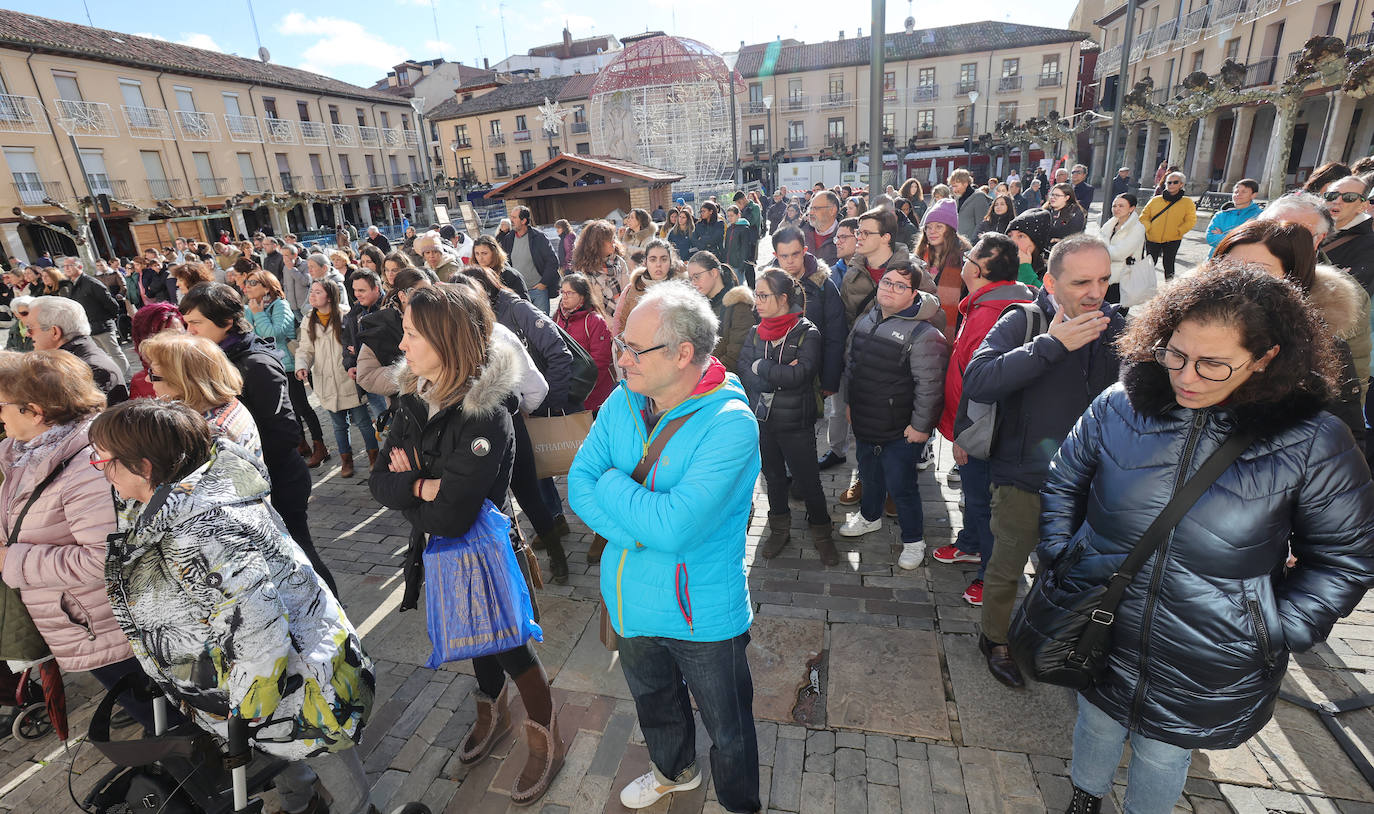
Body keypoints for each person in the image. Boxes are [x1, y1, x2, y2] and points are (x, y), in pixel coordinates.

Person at [1041, 267, 1374, 814]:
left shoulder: (1313, 441)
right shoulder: (1120, 404)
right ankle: (1084, 796)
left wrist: (1272, 626)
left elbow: (1344, 558)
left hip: (1209, 649)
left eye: (1213, 363)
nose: (1186, 377)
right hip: (1101, 616)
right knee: (1095, 722)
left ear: (1267, 357)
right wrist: (1061, 556)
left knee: (1164, 755)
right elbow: (1063, 482)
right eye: (1174, 354)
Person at [90, 399, 376, 814]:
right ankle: (302, 803)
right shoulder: (178, 499)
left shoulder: (201, 531)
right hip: (262, 681)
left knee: (320, 746)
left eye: (105, 461)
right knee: (287, 750)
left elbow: (259, 633)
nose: (101, 469)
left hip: (295, 681)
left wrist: (244, 711)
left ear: (145, 467)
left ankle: (358, 809)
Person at [567, 281, 761, 813]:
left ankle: (740, 802)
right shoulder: (623, 398)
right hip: (630, 596)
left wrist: (614, 488)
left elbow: (675, 528)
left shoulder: (730, 424)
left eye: (633, 348)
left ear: (683, 355)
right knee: (654, 702)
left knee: (730, 725)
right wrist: (639, 528)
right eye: (621, 345)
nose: (621, 359)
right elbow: (578, 482)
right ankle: (674, 771)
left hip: (700, 610)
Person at [369, 285, 564, 804]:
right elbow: (379, 482)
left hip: (483, 549)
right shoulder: (412, 396)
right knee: (472, 636)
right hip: (436, 546)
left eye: (411, 334)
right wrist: (421, 486)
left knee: (508, 644)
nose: (402, 345)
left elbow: (454, 517)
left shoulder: (487, 412)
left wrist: (414, 482)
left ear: (445, 338)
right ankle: (491, 706)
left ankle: (546, 732)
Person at [962, 235, 1125, 688]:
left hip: (1091, 484)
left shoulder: (1116, 327)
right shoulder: (1024, 320)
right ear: (1051, 281)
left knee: (1071, 572)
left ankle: (1055, 640)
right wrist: (1051, 346)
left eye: (1104, 280)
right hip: (1024, 479)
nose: (1096, 292)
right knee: (1006, 566)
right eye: (1082, 282)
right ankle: (995, 640)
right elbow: (979, 379)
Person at [0, 350, 164, 733]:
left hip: (105, 625)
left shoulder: (86, 466)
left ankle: (230, 783)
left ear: (35, 411)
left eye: (3, 405)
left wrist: (12, 559)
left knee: (168, 723)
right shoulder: (22, 452)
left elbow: (104, 558)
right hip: (76, 619)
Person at [178, 283, 338, 597]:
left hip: (278, 480)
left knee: (300, 554)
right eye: (186, 323)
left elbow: (285, 434)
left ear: (226, 322)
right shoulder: (214, 359)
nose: (188, 330)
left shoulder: (256, 364)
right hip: (247, 484)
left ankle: (336, 618)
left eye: (196, 323)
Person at [932, 234, 1035, 605]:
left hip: (980, 427)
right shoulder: (992, 303)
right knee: (976, 496)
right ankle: (971, 544)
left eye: (971, 255)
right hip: (984, 424)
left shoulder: (990, 314)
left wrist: (964, 435)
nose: (965, 259)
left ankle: (989, 574)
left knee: (981, 499)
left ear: (978, 268)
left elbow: (978, 383)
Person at [1213, 220, 1367, 448]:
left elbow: (1344, 444)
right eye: (1226, 268)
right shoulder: (1176, 328)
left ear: (1294, 279)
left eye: (1257, 271)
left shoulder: (1322, 351)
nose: (1235, 281)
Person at [837, 259, 949, 569]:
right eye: (887, 282)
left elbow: (930, 386)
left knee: (902, 487)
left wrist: (921, 426)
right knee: (869, 474)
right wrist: (849, 404)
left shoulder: (925, 334)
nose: (890, 289)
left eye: (900, 285)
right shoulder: (867, 318)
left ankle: (914, 540)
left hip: (902, 430)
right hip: (865, 420)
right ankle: (870, 516)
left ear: (915, 293)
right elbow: (852, 365)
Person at [737, 269, 836, 564]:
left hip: (795, 422)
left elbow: (801, 374)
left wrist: (762, 368)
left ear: (783, 298)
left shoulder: (808, 333)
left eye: (763, 295)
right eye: (756, 295)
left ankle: (822, 531)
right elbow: (744, 369)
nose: (758, 302)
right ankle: (779, 528)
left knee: (807, 480)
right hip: (763, 421)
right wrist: (773, 373)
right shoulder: (755, 332)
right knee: (774, 478)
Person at [242, 269, 328, 467]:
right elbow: (248, 333)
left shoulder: (280, 305)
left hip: (287, 364)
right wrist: (252, 312)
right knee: (289, 411)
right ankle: (301, 444)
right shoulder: (251, 307)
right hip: (268, 366)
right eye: (247, 281)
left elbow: (273, 334)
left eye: (253, 282)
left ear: (266, 286)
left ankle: (320, 445)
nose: (247, 286)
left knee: (302, 407)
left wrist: (258, 314)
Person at [140, 331, 262, 460]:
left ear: (181, 382)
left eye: (153, 373)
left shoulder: (207, 432)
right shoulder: (229, 404)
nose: (147, 379)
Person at [296, 281, 375, 478]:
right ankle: (346, 461)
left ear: (329, 296)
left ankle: (375, 458)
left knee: (363, 421)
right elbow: (305, 349)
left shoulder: (346, 315)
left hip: (347, 378)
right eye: (311, 292)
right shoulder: (308, 320)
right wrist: (302, 366)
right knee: (339, 426)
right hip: (326, 381)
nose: (312, 296)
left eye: (317, 292)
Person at [25, 296, 128, 405]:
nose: (27, 334)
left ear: (55, 332)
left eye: (30, 328)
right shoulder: (77, 359)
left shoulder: (89, 369)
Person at [555, 273, 615, 411]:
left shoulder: (594, 320)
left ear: (582, 296)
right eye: (562, 292)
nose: (564, 296)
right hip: (566, 389)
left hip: (591, 393)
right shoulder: (558, 317)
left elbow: (600, 361)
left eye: (570, 293)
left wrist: (581, 389)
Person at [60, 256, 127, 377]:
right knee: (102, 356)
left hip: (102, 325)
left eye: (69, 266)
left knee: (115, 353)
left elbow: (110, 303)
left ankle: (127, 378)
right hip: (88, 327)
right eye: (64, 266)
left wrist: (108, 318)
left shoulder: (91, 282)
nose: (66, 269)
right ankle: (115, 379)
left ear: (79, 267)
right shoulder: (71, 285)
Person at [915, 199, 971, 345]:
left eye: (939, 227)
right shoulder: (918, 258)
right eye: (928, 227)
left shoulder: (964, 261)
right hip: (916, 332)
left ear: (950, 230)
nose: (932, 231)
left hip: (950, 335)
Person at [689, 251, 755, 374]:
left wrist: (706, 375)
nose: (693, 283)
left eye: (697, 276)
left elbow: (736, 355)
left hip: (725, 382)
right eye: (691, 278)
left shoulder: (739, 304)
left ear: (714, 273)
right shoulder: (700, 305)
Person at [498, 205, 561, 314]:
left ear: (524, 220)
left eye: (514, 218)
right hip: (519, 293)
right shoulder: (509, 238)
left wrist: (543, 283)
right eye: (511, 217)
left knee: (542, 325)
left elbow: (552, 261)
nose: (511, 220)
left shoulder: (539, 237)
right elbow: (502, 260)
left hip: (538, 291)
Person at [1139, 171, 1198, 280]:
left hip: (1173, 239)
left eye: (1175, 182)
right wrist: (1149, 229)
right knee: (1150, 264)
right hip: (1153, 238)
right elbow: (1144, 216)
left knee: (1169, 264)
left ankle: (1169, 288)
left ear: (1181, 184)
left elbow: (1191, 220)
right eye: (1169, 182)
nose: (1171, 185)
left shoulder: (1187, 202)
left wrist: (1179, 231)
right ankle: (1145, 285)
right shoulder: (1155, 200)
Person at [1319, 174, 1374, 292]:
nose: (1337, 201)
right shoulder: (1307, 228)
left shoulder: (1369, 245)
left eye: (1349, 197)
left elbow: (1353, 293)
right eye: (1332, 195)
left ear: (1362, 206)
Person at [615, 239, 684, 332]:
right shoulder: (635, 287)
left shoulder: (680, 290)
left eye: (664, 259)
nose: (658, 264)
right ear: (646, 262)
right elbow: (623, 323)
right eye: (653, 259)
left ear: (670, 262)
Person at [572, 219, 630, 318]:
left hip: (624, 316)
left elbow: (627, 294)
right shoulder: (585, 270)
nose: (614, 242)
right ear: (597, 244)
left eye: (614, 237)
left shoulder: (619, 262)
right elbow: (591, 305)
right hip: (601, 322)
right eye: (610, 239)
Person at [126, 302, 184, 399]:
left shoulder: (204, 367)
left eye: (181, 334)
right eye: (166, 337)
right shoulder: (142, 383)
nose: (177, 343)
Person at [1104, 193, 1148, 306]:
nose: (1116, 209)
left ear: (1132, 208)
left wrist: (1100, 252)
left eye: (1121, 206)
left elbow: (1120, 253)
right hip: (1104, 276)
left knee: (1116, 314)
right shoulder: (1109, 224)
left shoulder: (1137, 228)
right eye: (1114, 206)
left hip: (1122, 278)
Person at [1205, 178, 1264, 255]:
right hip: (1215, 260)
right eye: (1236, 191)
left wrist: (1223, 236)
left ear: (1253, 195)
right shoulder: (1220, 215)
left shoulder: (1260, 217)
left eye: (1244, 192)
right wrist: (1238, 240)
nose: (1238, 194)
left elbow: (1255, 243)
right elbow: (1210, 238)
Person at [950, 169, 992, 244]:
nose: (954, 189)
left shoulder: (979, 197)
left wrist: (972, 244)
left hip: (972, 246)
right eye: (952, 186)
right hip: (958, 245)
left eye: (956, 186)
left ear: (965, 183)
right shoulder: (958, 198)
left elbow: (982, 225)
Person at [801, 190, 841, 266]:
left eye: (816, 208)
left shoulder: (845, 237)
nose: (811, 213)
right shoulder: (801, 234)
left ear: (832, 210)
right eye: (811, 208)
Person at [722, 206, 758, 287]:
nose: (729, 218)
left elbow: (745, 248)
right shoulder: (729, 229)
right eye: (728, 216)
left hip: (737, 264)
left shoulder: (744, 229)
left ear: (738, 215)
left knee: (738, 286)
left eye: (732, 216)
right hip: (729, 263)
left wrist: (742, 264)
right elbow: (727, 246)